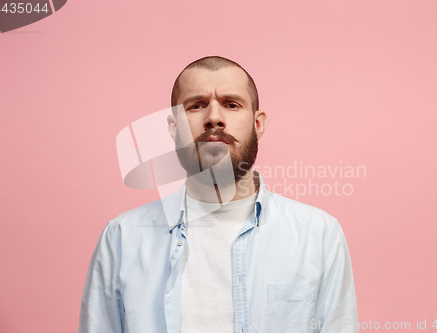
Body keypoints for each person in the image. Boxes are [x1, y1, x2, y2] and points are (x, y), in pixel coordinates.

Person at [78, 56, 358, 333]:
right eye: (197, 105)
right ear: (174, 128)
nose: (214, 118)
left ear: (257, 124)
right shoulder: (122, 239)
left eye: (231, 105)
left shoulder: (318, 235)